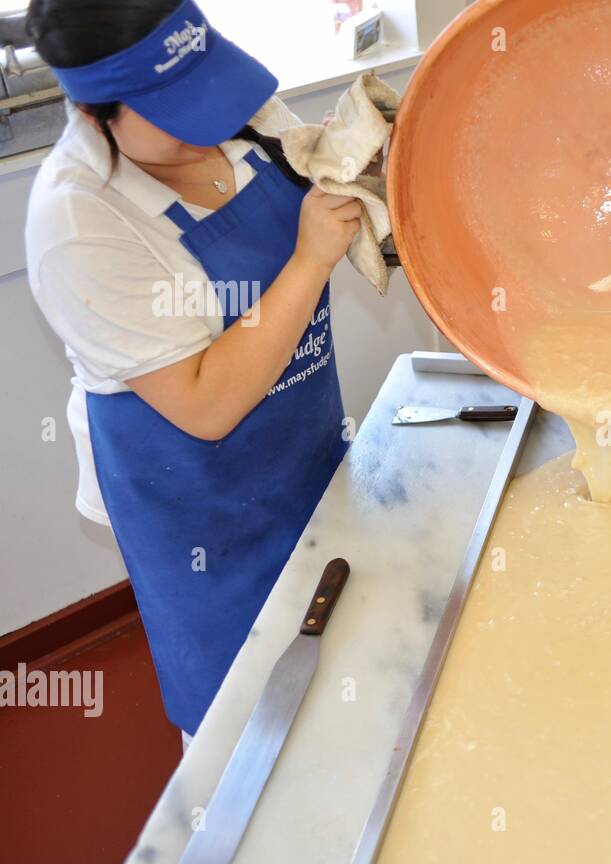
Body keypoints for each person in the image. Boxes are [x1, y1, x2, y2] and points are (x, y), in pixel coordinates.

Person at [25, 0, 364, 743]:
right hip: (199, 506)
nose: (209, 125)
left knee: (349, 661)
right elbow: (206, 402)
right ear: (94, 111)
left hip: (303, 442)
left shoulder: (231, 111)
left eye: (209, 90)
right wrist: (310, 260)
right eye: (179, 111)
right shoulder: (76, 224)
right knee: (247, 718)